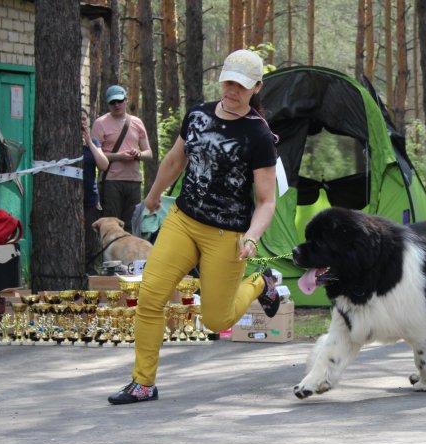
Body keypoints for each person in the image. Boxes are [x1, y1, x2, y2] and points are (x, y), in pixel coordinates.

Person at [108, 49, 280, 404]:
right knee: (151, 297)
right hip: (183, 222)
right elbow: (175, 159)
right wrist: (153, 196)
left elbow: (266, 200)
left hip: (227, 234)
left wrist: (252, 236)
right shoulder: (198, 115)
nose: (232, 90)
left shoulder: (259, 136)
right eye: (228, 82)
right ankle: (143, 383)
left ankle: (260, 282)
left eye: (242, 86)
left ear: (257, 88)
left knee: (217, 320)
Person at [91, 85, 152, 234]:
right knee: (111, 226)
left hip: (134, 182)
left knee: (132, 226)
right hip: (111, 181)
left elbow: (149, 153)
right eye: (112, 102)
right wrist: (119, 156)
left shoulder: (137, 122)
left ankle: (131, 257)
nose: (116, 105)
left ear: (125, 100)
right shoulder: (100, 123)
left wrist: (138, 154)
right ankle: (110, 257)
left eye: (119, 101)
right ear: (108, 104)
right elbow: (94, 155)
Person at [81, 108, 109, 275]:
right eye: (78, 119)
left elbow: (103, 165)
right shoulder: (64, 142)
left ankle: (90, 276)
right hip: (70, 201)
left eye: (84, 119)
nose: (82, 122)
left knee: (90, 242)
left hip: (90, 200)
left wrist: (89, 143)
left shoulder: (94, 143)